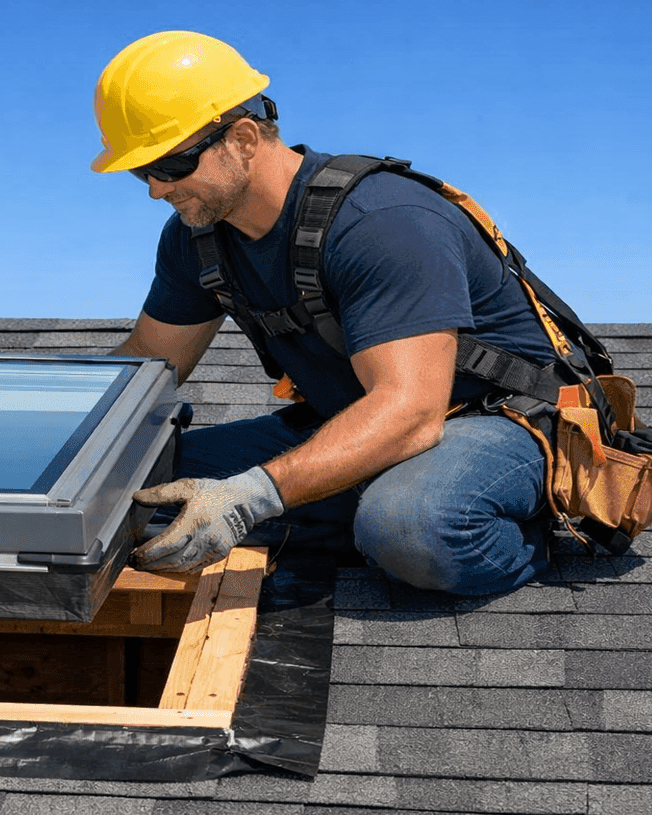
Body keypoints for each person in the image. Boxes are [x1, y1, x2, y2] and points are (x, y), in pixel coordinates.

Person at [95, 30, 562, 595]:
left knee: (409, 527)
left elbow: (412, 410)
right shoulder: (195, 238)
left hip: (492, 421)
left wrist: (250, 498)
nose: (154, 190)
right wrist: (36, 431)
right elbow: (144, 369)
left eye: (169, 165)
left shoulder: (380, 221)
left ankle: (532, 529)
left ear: (243, 138)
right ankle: (346, 509)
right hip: (360, 418)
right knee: (122, 487)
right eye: (138, 172)